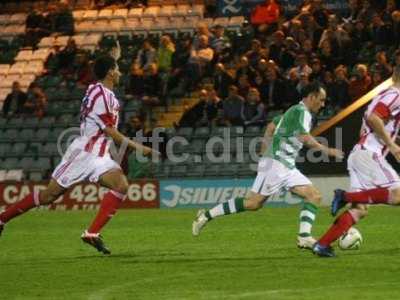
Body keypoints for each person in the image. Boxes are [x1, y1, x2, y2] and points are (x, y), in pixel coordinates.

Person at [0, 53, 158, 255]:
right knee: (49, 195)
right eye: (116, 69)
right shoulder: (102, 94)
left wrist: (109, 61)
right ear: (110, 72)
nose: (119, 72)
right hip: (84, 153)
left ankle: (91, 233)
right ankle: (2, 219)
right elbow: (110, 130)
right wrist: (140, 148)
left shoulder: (100, 91)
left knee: (121, 185)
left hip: (100, 155)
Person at [192, 82, 344, 249]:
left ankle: (304, 237)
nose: (322, 104)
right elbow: (304, 138)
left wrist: (265, 147)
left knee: (314, 195)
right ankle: (206, 216)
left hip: (286, 164)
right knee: (253, 203)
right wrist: (328, 150)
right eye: (321, 100)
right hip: (277, 164)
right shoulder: (301, 112)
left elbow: (272, 126)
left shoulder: (294, 111)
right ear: (312, 96)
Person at [312, 65, 400, 257]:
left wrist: (392, 142)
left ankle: (322, 244)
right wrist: (392, 147)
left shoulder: (386, 95)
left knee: (360, 210)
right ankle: (344, 196)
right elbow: (375, 118)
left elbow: (372, 120)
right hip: (369, 153)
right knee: (398, 194)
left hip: (360, 153)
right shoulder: (396, 96)